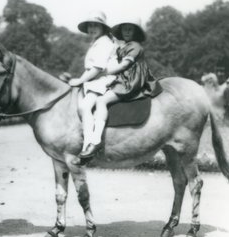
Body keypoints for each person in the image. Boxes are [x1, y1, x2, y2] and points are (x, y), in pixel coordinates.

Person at [78, 18, 162, 160]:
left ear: (135, 32)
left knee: (101, 101)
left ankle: (96, 140)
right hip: (123, 78)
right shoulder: (123, 45)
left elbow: (123, 66)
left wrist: (106, 71)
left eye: (130, 29)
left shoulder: (135, 46)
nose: (127, 32)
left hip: (130, 81)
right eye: (124, 29)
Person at [67, 11, 117, 163]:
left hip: (103, 79)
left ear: (103, 28)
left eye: (96, 25)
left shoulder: (105, 43)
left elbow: (97, 68)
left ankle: (91, 144)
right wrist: (78, 79)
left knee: (84, 106)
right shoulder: (96, 43)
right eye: (90, 25)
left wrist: (80, 81)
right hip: (95, 80)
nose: (92, 28)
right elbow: (90, 69)